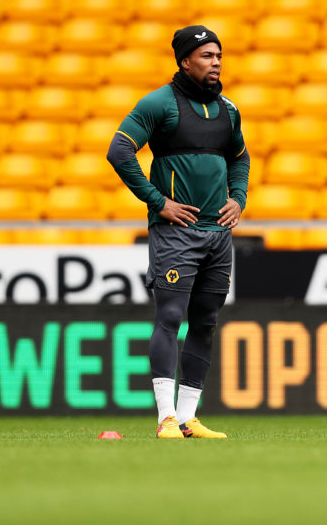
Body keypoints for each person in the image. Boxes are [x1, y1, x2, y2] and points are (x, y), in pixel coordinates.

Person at [107, 25, 249, 439]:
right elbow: (119, 151)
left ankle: (188, 417)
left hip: (217, 234)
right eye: (207, 56)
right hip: (177, 234)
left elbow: (240, 159)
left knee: (205, 321)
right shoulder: (159, 104)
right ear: (185, 61)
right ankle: (165, 417)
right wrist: (158, 201)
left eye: (219, 55)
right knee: (170, 317)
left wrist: (237, 198)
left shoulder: (228, 109)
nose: (216, 62)